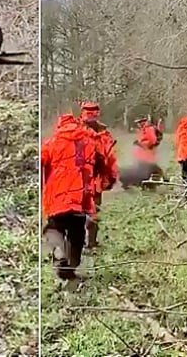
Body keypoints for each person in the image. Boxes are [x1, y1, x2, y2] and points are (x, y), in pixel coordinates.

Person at [41, 114, 107, 284]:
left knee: (54, 228)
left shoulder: (51, 143)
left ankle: (59, 253)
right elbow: (102, 160)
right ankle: (71, 268)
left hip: (57, 197)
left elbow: (40, 162)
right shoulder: (88, 142)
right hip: (81, 198)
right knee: (77, 234)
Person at [78, 102, 118, 248]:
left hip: (83, 177)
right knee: (93, 210)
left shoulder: (74, 130)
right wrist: (111, 176)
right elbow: (110, 158)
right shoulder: (102, 132)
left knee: (82, 210)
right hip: (91, 178)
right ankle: (90, 242)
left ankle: (85, 241)